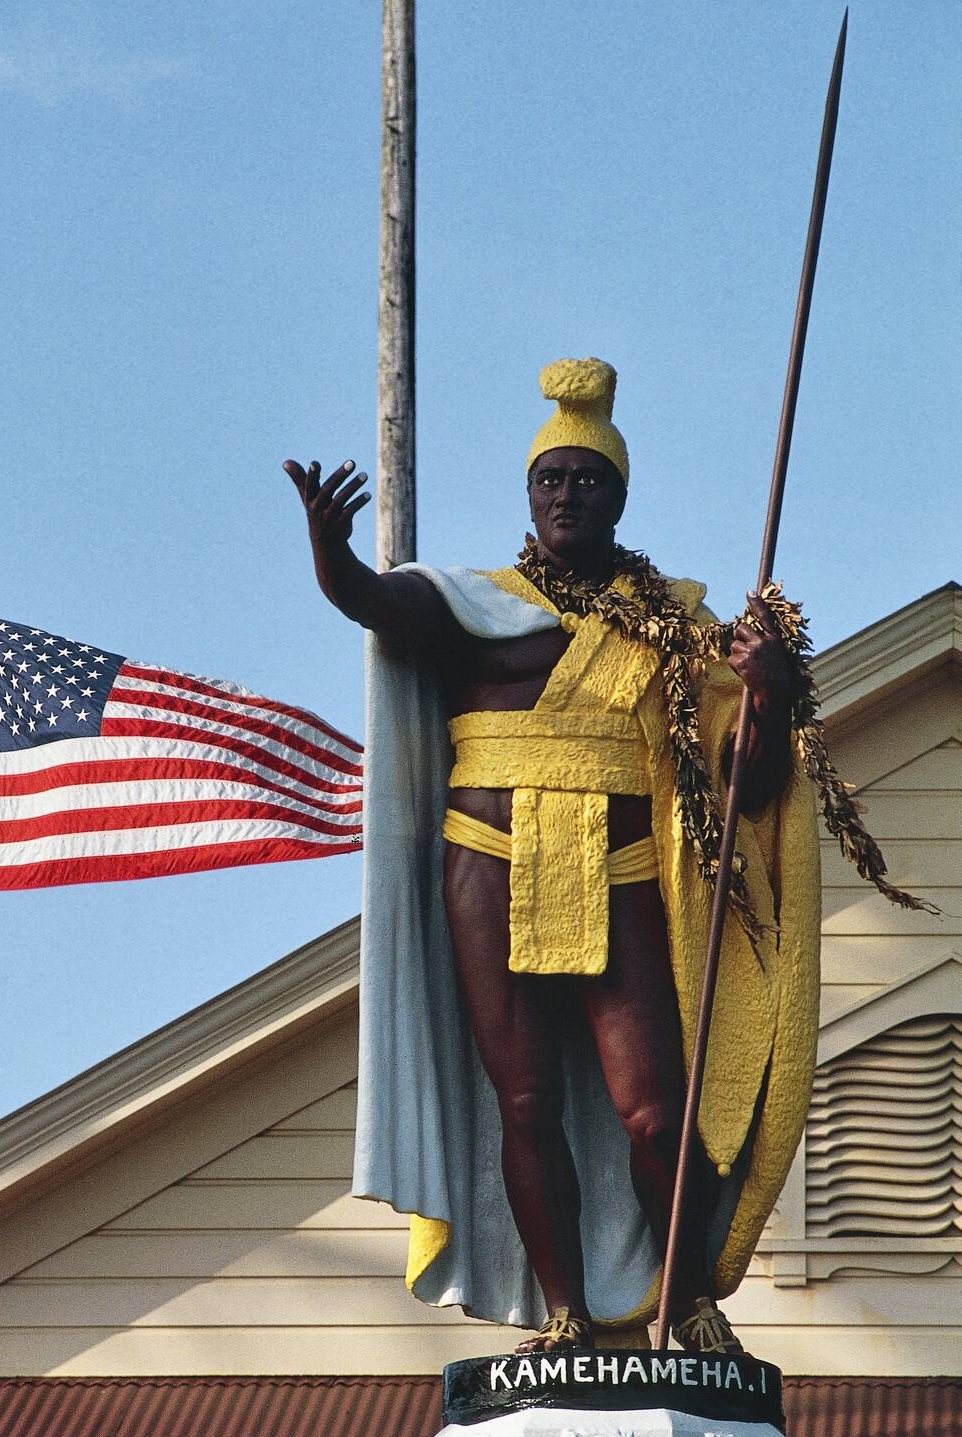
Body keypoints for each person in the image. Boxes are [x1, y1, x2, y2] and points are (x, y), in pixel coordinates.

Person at [284, 359, 825, 1352]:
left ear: (620, 495)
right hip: (487, 861)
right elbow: (374, 604)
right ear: (529, 497)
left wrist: (771, 691)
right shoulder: (474, 604)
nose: (567, 493)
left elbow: (742, 793)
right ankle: (564, 1313)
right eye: (551, 479)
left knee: (657, 1112)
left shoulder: (678, 632)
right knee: (525, 1102)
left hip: (620, 875)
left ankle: (686, 1298)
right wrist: (332, 556)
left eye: (587, 478)